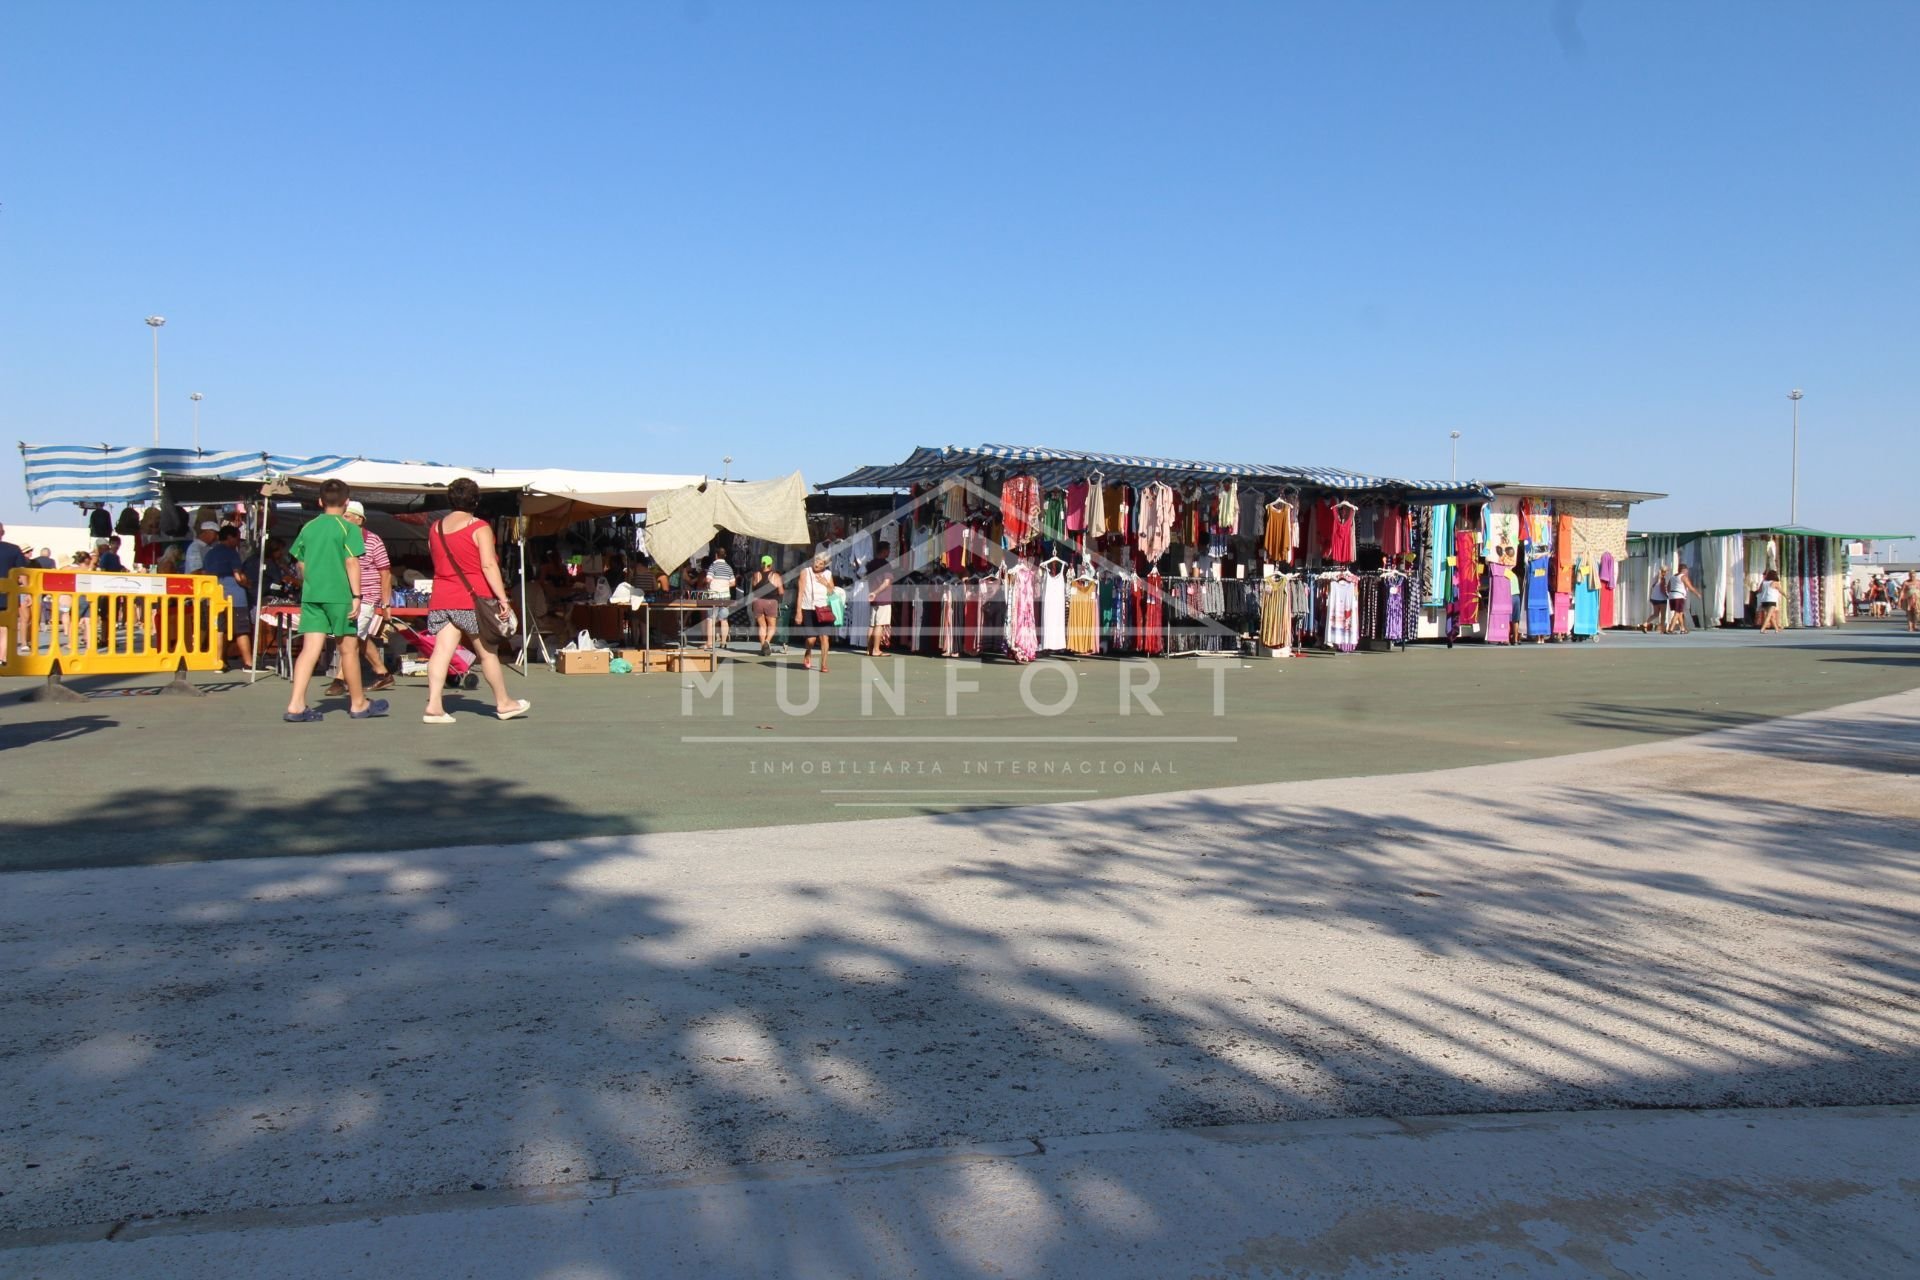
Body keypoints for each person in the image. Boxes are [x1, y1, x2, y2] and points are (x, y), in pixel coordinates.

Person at [421, 476, 530, 725]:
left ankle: (434, 705)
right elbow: (488, 564)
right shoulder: (478, 527)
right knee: (488, 653)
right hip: (471, 598)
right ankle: (503, 702)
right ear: (476, 500)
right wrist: (502, 598)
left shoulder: (435, 527)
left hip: (441, 596)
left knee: (441, 651)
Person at [283, 480, 387, 723]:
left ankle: (296, 704)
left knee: (310, 649)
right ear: (347, 502)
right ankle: (359, 703)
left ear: (319, 501)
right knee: (348, 649)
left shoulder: (308, 527)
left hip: (312, 595)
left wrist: (313, 581)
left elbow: (300, 563)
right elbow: (352, 562)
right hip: (340, 596)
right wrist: (357, 595)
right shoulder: (348, 528)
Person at [328, 501, 395, 694]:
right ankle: (383, 673)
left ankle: (339, 680)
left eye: (347, 516)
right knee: (360, 636)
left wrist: (386, 603)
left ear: (359, 519)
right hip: (345, 595)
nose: (344, 520)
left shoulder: (373, 541)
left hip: (368, 595)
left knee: (353, 636)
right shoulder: (339, 540)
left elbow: (385, 573)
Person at [201, 525, 255, 671]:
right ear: (230, 537)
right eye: (237, 537)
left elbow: (205, 573)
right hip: (235, 596)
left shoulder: (209, 554)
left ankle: (219, 661)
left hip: (214, 595)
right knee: (241, 629)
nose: (238, 541)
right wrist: (248, 583)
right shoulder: (232, 554)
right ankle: (249, 662)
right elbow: (238, 576)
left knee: (219, 629)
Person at [796, 552, 835, 672]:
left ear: (825, 565)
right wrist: (798, 612)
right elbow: (800, 592)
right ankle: (808, 652)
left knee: (824, 638)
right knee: (811, 639)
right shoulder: (805, 572)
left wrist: (826, 584)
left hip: (823, 609)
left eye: (821, 563)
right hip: (808, 608)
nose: (817, 564)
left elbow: (832, 592)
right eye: (816, 561)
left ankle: (824, 664)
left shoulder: (828, 574)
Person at [0, 522, 28, 659]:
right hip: (7, 595)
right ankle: (2, 658)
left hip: (7, 595)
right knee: (4, 628)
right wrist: (26, 593)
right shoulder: (13, 550)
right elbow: (22, 574)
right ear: (2, 533)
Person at [748, 555, 783, 657]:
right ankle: (767, 642)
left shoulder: (756, 575)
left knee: (762, 626)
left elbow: (753, 589)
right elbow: (781, 591)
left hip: (758, 602)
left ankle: (762, 647)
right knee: (772, 626)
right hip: (771, 602)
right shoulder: (775, 576)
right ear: (771, 564)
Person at [703, 549, 735, 650]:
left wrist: (711, 583)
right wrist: (724, 585)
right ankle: (724, 642)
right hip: (725, 596)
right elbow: (733, 583)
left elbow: (708, 579)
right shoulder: (728, 567)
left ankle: (709, 643)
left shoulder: (713, 566)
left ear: (716, 555)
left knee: (710, 619)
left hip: (714, 596)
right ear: (724, 556)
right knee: (724, 619)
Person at [1666, 563, 1696, 634]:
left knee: (1680, 613)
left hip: (1672, 595)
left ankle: (1682, 628)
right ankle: (1671, 629)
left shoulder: (1673, 577)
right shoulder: (1683, 577)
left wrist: (1670, 594)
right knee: (1677, 612)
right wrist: (1697, 594)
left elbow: (1668, 588)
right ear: (1684, 570)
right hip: (1679, 596)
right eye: (1686, 570)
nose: (1687, 572)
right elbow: (1690, 587)